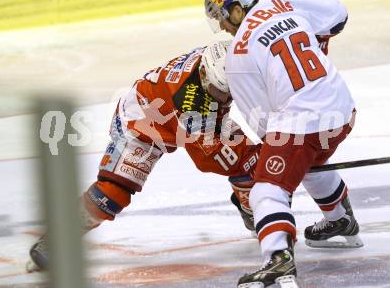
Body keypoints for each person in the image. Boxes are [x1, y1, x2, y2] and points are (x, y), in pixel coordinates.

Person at [26, 40, 261, 272]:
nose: (224, 97)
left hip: (184, 113)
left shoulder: (219, 62)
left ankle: (252, 210)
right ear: (203, 74)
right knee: (111, 194)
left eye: (227, 91)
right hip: (141, 122)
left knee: (249, 159)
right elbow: (208, 159)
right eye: (218, 91)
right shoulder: (193, 101)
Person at [205, 0, 363, 288]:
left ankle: (278, 260)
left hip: (305, 119)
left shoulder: (238, 53)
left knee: (267, 189)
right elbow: (337, 13)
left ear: (237, 10)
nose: (223, 26)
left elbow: (265, 123)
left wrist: (274, 165)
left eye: (222, 17)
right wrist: (318, 46)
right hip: (342, 109)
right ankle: (340, 220)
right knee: (309, 161)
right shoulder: (284, 4)